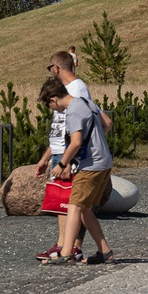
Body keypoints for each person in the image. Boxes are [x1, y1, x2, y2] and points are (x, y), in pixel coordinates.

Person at [34, 51, 110, 263]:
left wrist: (68, 161)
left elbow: (75, 141)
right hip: (92, 160)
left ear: (54, 99)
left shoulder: (75, 104)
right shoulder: (78, 102)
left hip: (87, 162)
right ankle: (104, 251)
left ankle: (67, 251)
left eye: (49, 105)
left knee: (73, 205)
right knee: (82, 208)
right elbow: (105, 122)